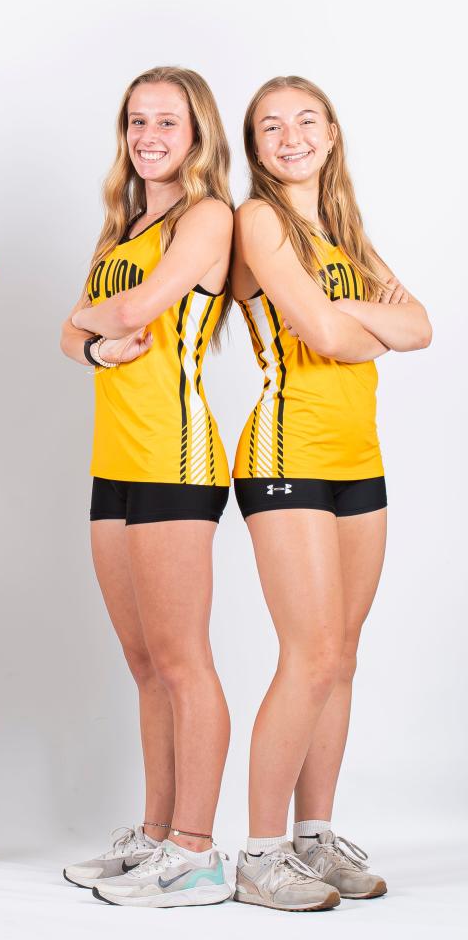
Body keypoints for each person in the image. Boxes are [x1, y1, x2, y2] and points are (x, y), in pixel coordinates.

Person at [230, 76, 431, 912]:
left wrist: (351, 310)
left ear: (333, 132)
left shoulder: (343, 230)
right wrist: (359, 318)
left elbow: (418, 326)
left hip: (359, 460)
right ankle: (261, 852)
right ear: (255, 145)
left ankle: (313, 838)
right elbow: (320, 335)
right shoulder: (259, 219)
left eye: (305, 120)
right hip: (288, 454)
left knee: (341, 655)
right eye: (271, 126)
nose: (290, 136)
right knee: (308, 656)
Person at [60, 67, 235, 908]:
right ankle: (159, 834)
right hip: (114, 464)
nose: (150, 136)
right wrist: (94, 339)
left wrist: (99, 322)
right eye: (137, 121)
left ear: (198, 133)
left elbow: (141, 308)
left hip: (176, 457)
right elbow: (73, 332)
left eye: (168, 121)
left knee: (181, 659)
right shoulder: (125, 223)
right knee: (142, 663)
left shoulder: (208, 217)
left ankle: (198, 851)